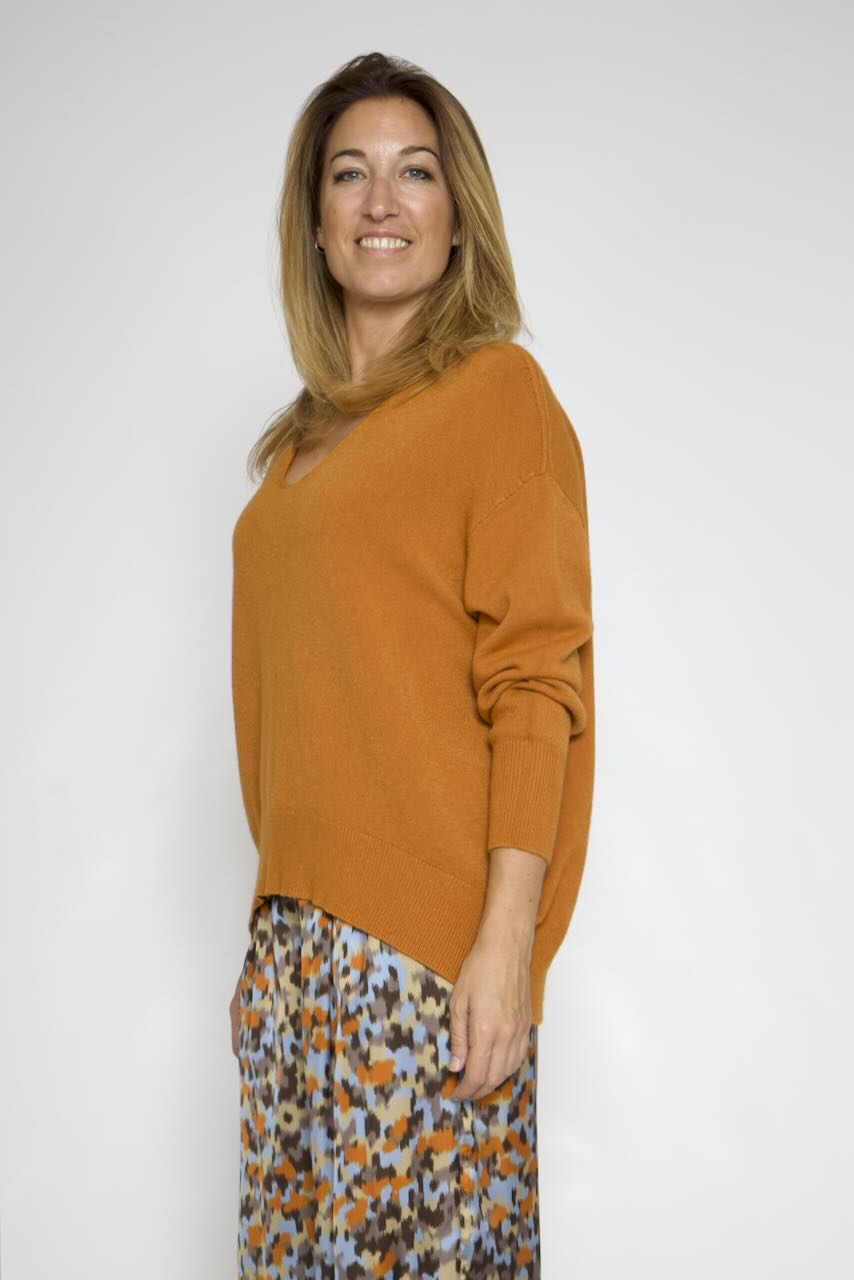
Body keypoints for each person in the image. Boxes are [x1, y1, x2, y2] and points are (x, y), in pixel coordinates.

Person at [227, 50, 595, 1279]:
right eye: (349, 174)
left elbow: (536, 678)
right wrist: (270, 945)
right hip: (296, 958)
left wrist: (503, 943)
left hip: (423, 955)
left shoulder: (496, 393)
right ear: (314, 221)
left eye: (414, 172)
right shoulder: (295, 450)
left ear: (456, 217)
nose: (380, 201)